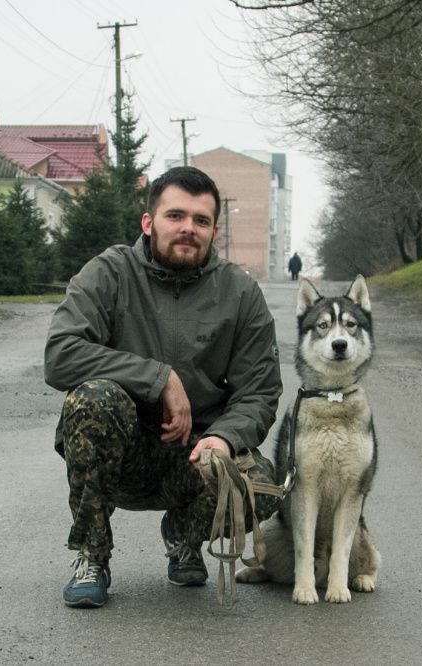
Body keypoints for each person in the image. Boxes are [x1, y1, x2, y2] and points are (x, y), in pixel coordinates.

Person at [44, 166, 283, 608]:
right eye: (176, 215)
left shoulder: (240, 293)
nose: (188, 228)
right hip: (123, 453)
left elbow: (260, 391)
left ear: (213, 230)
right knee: (92, 399)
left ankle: (184, 537)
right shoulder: (109, 273)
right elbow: (60, 354)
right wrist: (158, 378)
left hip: (194, 456)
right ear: (149, 222)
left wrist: (223, 437)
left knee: (261, 486)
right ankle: (92, 555)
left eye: (201, 220)